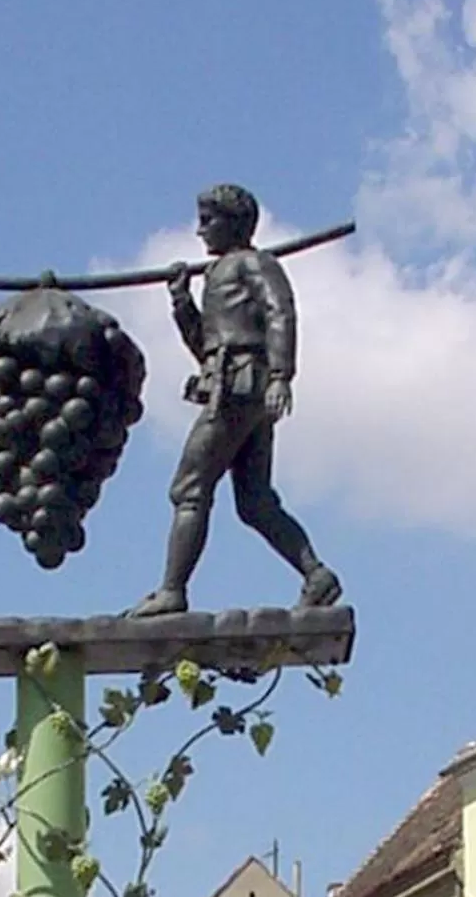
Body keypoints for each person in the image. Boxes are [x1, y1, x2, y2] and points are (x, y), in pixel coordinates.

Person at [131, 183, 342, 617]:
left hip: (242, 388)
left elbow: (280, 312)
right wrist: (180, 302)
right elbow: (207, 344)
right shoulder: (218, 274)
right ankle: (315, 574)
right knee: (255, 501)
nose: (200, 230)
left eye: (209, 220)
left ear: (235, 223)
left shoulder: (254, 263)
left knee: (189, 487)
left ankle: (172, 590)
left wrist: (282, 374)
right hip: (233, 384)